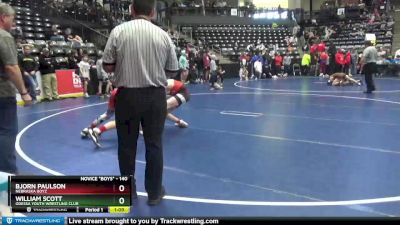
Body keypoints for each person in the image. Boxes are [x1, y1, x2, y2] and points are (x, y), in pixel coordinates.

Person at [102, 0, 179, 206]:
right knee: (154, 144)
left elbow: (108, 66)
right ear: (153, 12)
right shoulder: (163, 35)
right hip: (155, 97)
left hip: (127, 97)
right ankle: (154, 193)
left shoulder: (118, 31)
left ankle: (127, 191)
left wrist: (125, 63)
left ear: (131, 10)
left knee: (126, 145)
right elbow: (172, 70)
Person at [0, 3, 32, 174]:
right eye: (12, 18)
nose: (13, 22)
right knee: (6, 132)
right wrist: (24, 93)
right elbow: (12, 68)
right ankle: (7, 175)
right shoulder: (4, 36)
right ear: (4, 17)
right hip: (2, 93)